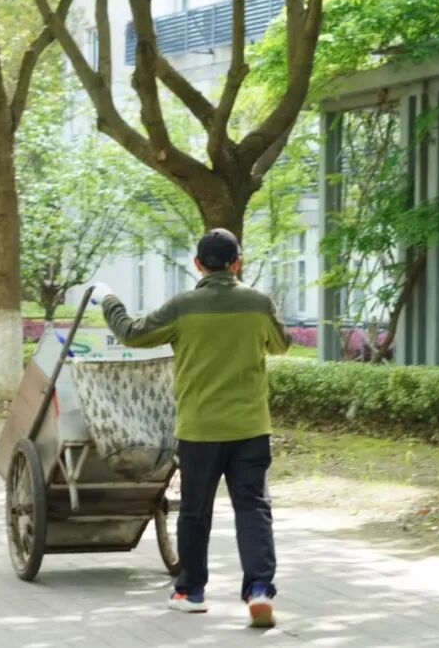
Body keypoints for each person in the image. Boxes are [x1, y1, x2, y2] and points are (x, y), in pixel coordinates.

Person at [89, 228, 291, 629]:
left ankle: (191, 592)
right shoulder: (258, 304)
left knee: (195, 511)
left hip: (200, 430)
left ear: (198, 264)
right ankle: (258, 589)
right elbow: (281, 344)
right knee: (253, 508)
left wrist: (108, 299)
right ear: (237, 263)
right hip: (251, 427)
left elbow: (131, 333)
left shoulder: (183, 307)